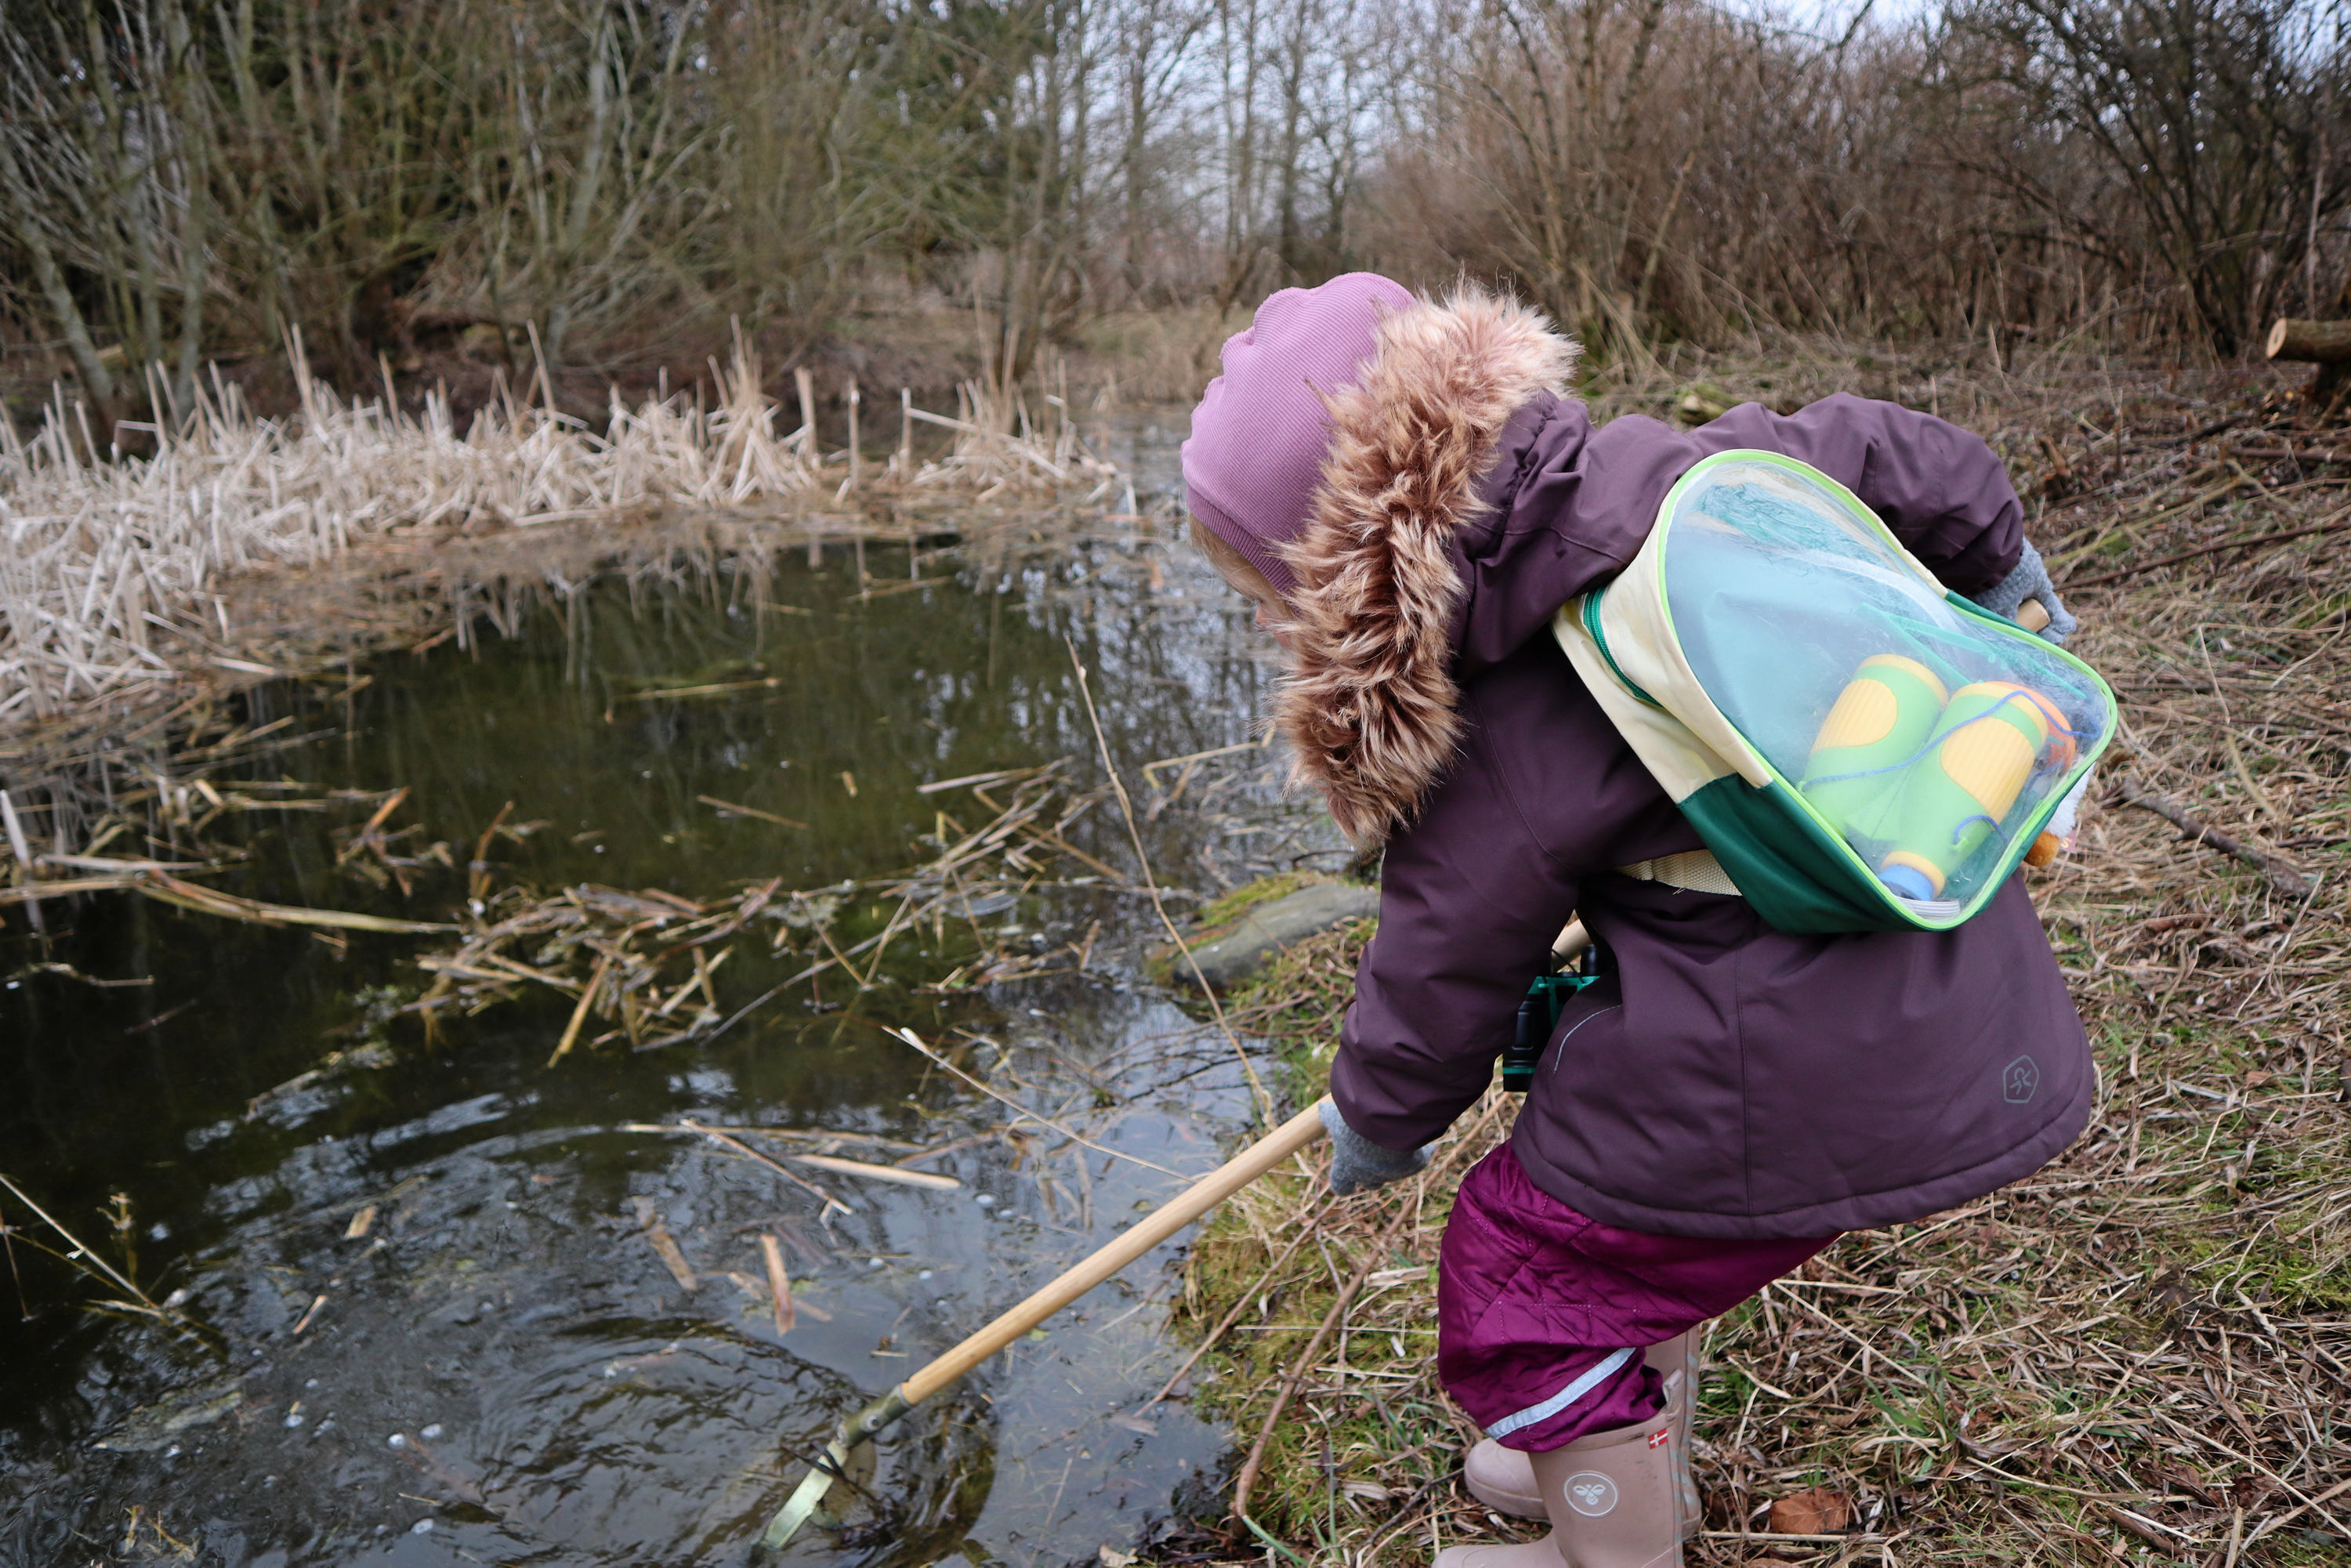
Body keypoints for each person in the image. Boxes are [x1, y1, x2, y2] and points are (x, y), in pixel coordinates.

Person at [1180, 274, 2087, 1568]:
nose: (1278, 625)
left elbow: (1441, 968)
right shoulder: (1698, 474)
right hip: (1948, 971)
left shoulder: (1503, 709)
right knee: (1623, 1192)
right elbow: (1905, 452)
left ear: (1338, 567)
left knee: (1525, 1269)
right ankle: (1608, 1439)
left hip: (1793, 1058)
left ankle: (1609, 1545)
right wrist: (2003, 567)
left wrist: (1379, 1117)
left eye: (1271, 594)